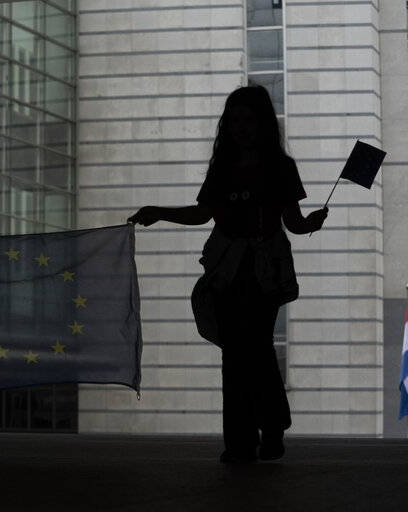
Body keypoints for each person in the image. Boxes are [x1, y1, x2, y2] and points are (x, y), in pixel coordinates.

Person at [129, 86, 328, 463]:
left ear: (263, 123)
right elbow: (203, 213)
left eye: (248, 119)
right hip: (228, 272)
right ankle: (253, 437)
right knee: (241, 354)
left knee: (252, 351)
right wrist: (160, 212)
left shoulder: (281, 168)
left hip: (263, 272)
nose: (242, 127)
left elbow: (294, 223)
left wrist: (310, 223)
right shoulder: (223, 168)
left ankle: (258, 435)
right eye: (235, 120)